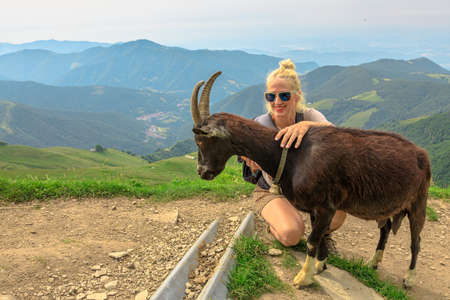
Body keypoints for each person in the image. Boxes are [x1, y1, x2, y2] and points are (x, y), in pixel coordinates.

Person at [241, 58, 347, 250]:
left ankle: (320, 234)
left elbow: (336, 134)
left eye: (284, 96)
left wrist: (306, 125)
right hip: (272, 190)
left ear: (297, 96)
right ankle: (276, 223)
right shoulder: (260, 125)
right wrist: (248, 156)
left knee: (339, 209)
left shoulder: (308, 116)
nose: (277, 102)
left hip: (304, 188)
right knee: (291, 236)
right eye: (271, 97)